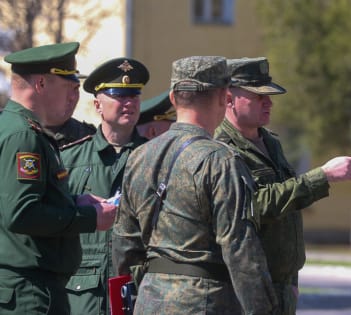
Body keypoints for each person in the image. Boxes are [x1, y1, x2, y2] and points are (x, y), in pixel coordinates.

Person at [112, 56, 279, 314]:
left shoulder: (139, 157)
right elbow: (240, 250)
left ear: (172, 97)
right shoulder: (220, 160)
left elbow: (124, 244)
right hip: (205, 301)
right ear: (224, 97)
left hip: (149, 299)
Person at [214, 57, 351, 315]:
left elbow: (286, 211)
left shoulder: (270, 142)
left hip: (281, 285)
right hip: (246, 289)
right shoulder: (221, 148)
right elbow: (254, 204)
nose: (269, 103)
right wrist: (322, 176)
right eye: (259, 97)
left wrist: (290, 281)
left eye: (269, 96)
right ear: (229, 99)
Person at [0, 42, 116, 315]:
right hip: (30, 293)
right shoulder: (23, 135)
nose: (74, 97)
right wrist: (89, 218)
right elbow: (21, 213)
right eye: (68, 87)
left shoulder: (14, 127)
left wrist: (74, 202)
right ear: (41, 84)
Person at [60, 57, 150, 315]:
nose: (129, 102)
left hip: (141, 289)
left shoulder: (155, 157)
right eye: (119, 95)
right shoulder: (69, 160)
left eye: (134, 95)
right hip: (82, 295)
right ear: (98, 104)